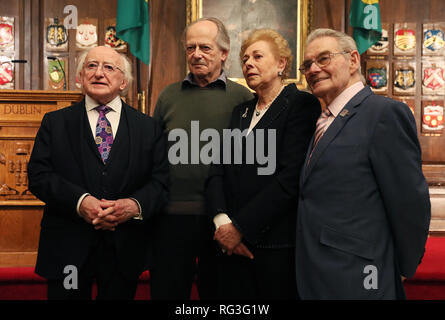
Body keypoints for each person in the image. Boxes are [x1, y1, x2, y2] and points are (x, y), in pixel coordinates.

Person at [296, 28, 431, 299]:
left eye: (324, 59)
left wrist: (401, 266)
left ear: (354, 60)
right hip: (316, 271)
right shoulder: (322, 120)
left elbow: (409, 203)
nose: (313, 69)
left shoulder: (384, 114)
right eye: (307, 64)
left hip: (360, 276)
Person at [27, 46, 169, 300]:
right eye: (91, 66)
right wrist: (80, 203)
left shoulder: (149, 128)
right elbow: (39, 176)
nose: (99, 73)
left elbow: (161, 182)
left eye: (109, 67)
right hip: (67, 247)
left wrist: (133, 206)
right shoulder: (55, 122)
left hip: (124, 249)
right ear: (80, 77)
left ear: (123, 81)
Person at [205, 29, 321, 299]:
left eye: (257, 56)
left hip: (274, 247)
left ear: (281, 64)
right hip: (228, 244)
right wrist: (222, 223)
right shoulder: (241, 111)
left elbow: (290, 178)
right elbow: (217, 171)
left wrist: (240, 228)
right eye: (245, 59)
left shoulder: (301, 104)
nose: (248, 64)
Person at [151, 17, 253, 300]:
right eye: (190, 48)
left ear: (223, 53)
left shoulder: (243, 98)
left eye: (205, 48)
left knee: (222, 296)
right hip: (172, 218)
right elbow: (153, 156)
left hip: (222, 221)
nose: (196, 54)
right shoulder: (168, 96)